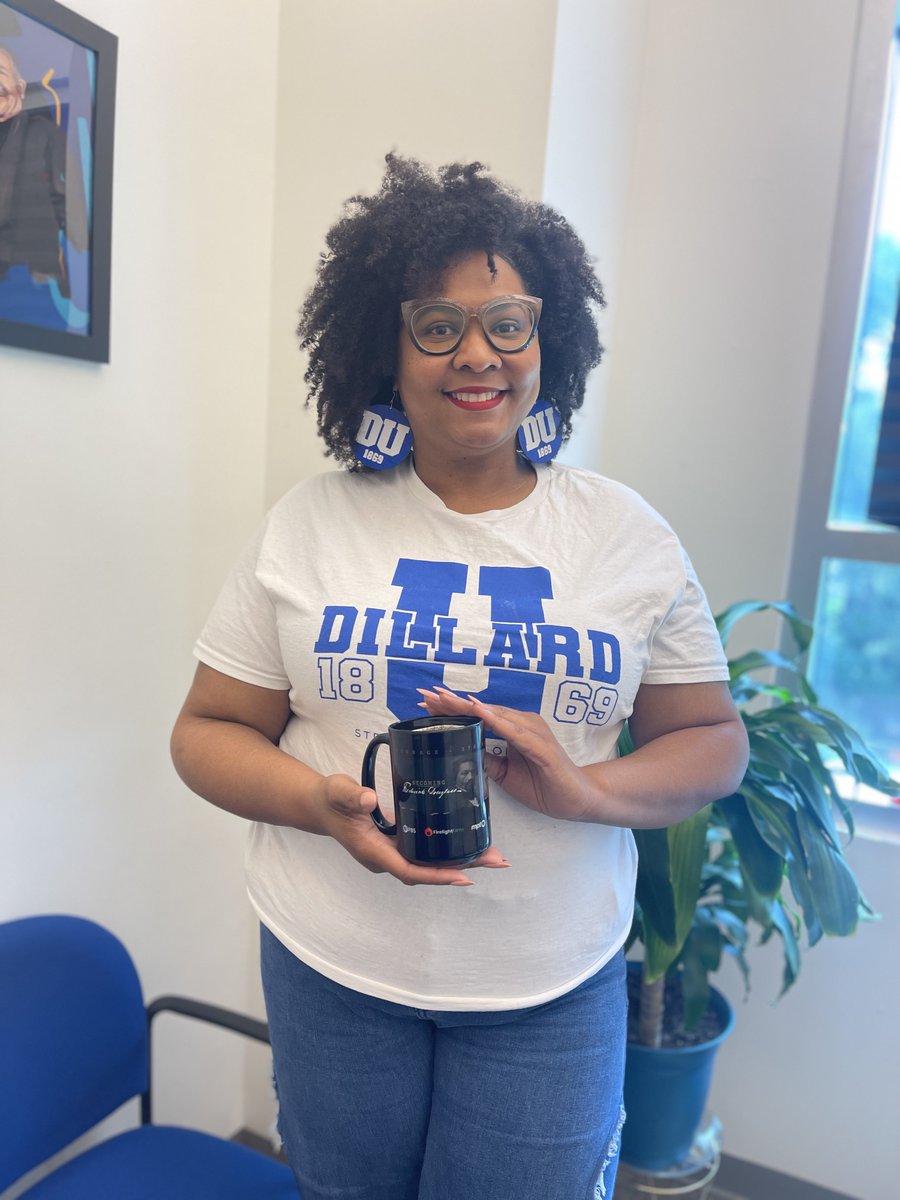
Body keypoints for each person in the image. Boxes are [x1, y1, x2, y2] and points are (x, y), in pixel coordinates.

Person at [171, 154, 749, 1200]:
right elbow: (206, 730)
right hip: (332, 971)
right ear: (384, 353)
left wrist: (589, 791)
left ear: (549, 340)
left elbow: (714, 740)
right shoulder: (311, 521)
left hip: (547, 987)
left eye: (508, 322)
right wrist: (316, 802)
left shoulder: (626, 536)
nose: (475, 353)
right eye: (436, 325)